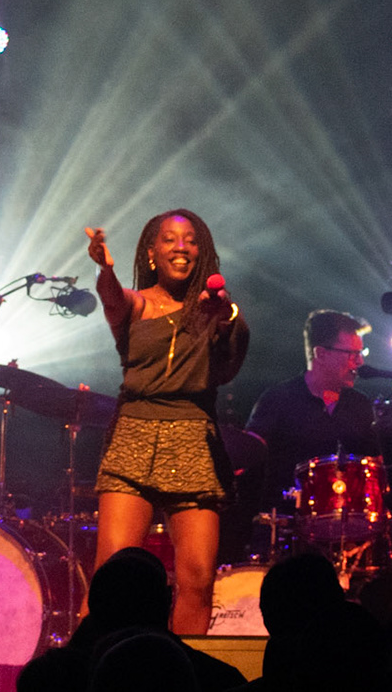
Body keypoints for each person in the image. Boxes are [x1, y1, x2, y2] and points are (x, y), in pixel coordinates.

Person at [85, 210, 251, 635]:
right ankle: (92, 664)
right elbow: (113, 299)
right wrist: (105, 270)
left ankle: (182, 666)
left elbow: (230, 363)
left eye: (191, 240)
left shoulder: (215, 309)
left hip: (193, 439)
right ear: (152, 252)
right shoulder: (137, 304)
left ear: (202, 252)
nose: (181, 247)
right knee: (111, 576)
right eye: (170, 239)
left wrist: (226, 317)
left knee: (198, 578)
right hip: (134, 435)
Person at [244, 310, 381, 511]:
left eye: (361, 352)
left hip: (348, 517)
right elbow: (246, 453)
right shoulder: (278, 399)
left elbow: (375, 469)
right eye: (352, 354)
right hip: (287, 517)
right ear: (321, 354)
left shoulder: (360, 404)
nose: (360, 362)